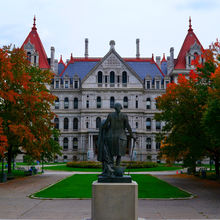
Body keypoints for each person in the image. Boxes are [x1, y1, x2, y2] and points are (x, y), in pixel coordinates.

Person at [97, 103, 134, 177]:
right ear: (121, 108)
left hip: (110, 137)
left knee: (110, 154)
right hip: (121, 137)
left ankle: (111, 169)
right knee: (119, 154)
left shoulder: (110, 115)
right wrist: (132, 135)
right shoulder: (124, 116)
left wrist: (102, 124)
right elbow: (128, 126)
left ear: (114, 108)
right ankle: (117, 167)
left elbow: (105, 125)